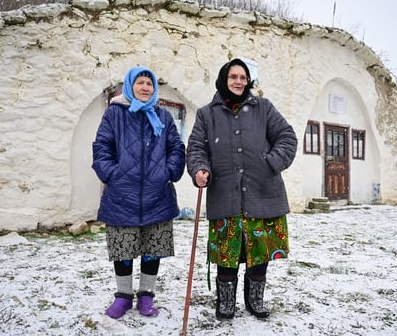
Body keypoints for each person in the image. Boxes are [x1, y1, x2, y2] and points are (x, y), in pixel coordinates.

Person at [186, 58, 297, 319]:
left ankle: (254, 300)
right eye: (233, 77)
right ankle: (225, 303)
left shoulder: (264, 108)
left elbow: (287, 137)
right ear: (224, 79)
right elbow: (196, 148)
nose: (238, 82)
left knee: (260, 254)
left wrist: (271, 163)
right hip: (225, 193)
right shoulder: (206, 114)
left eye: (243, 78)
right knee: (227, 254)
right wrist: (200, 169)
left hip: (263, 192)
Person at [92, 66, 185, 319]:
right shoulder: (115, 114)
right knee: (123, 248)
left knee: (152, 247)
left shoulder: (163, 116)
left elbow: (176, 147)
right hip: (122, 194)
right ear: (130, 85)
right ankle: (123, 297)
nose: (145, 88)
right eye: (140, 83)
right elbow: (102, 147)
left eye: (150, 84)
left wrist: (168, 171)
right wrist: (112, 174)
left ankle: (146, 295)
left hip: (158, 194)